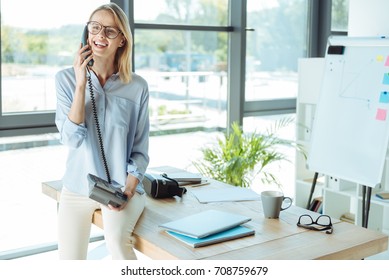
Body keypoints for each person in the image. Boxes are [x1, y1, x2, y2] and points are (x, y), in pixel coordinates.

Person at [55, 3, 149, 260]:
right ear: (87, 33)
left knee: (118, 244)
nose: (99, 35)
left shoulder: (137, 87)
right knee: (69, 262)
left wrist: (128, 190)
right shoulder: (65, 79)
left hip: (120, 188)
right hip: (77, 187)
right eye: (95, 27)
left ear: (122, 40)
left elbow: (140, 152)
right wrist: (81, 84)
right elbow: (71, 139)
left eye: (109, 31)